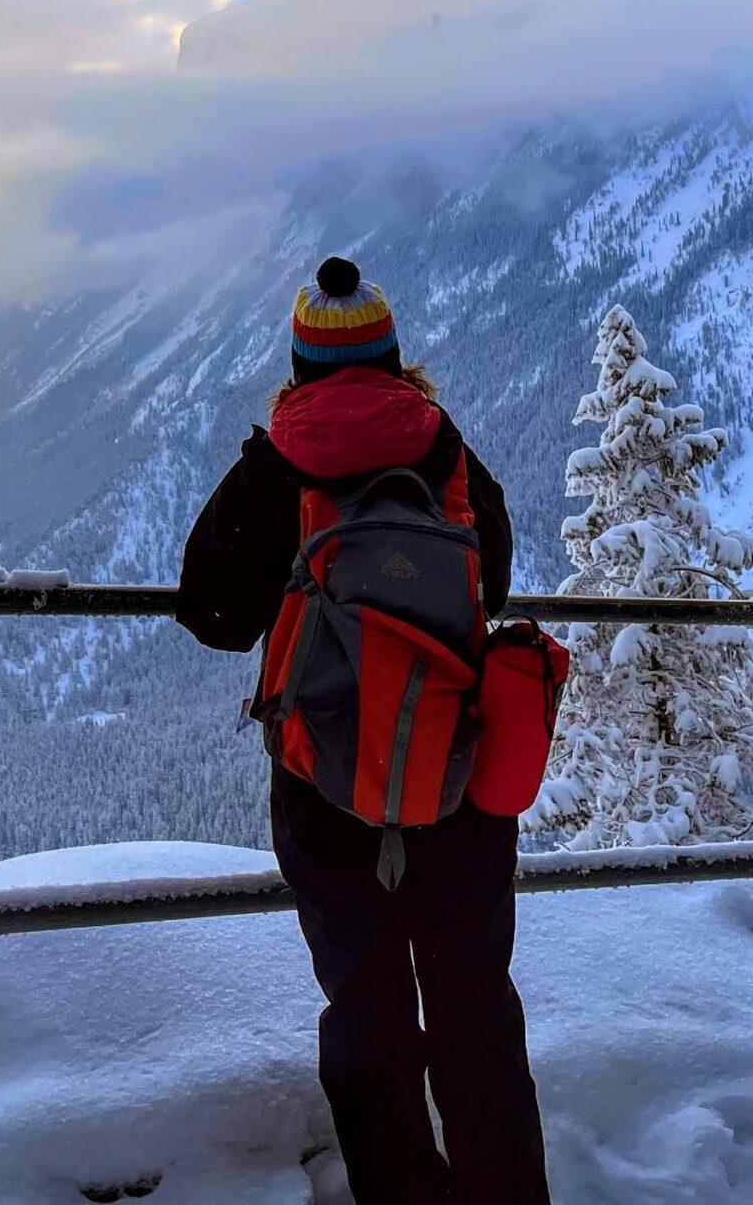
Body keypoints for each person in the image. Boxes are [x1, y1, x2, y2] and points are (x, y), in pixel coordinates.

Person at [176, 257, 551, 1205]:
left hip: (324, 782)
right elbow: (490, 582)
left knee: (366, 1009)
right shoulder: (446, 451)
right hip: (455, 774)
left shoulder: (276, 465)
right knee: (474, 1009)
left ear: (299, 364)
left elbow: (212, 613)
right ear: (393, 357)